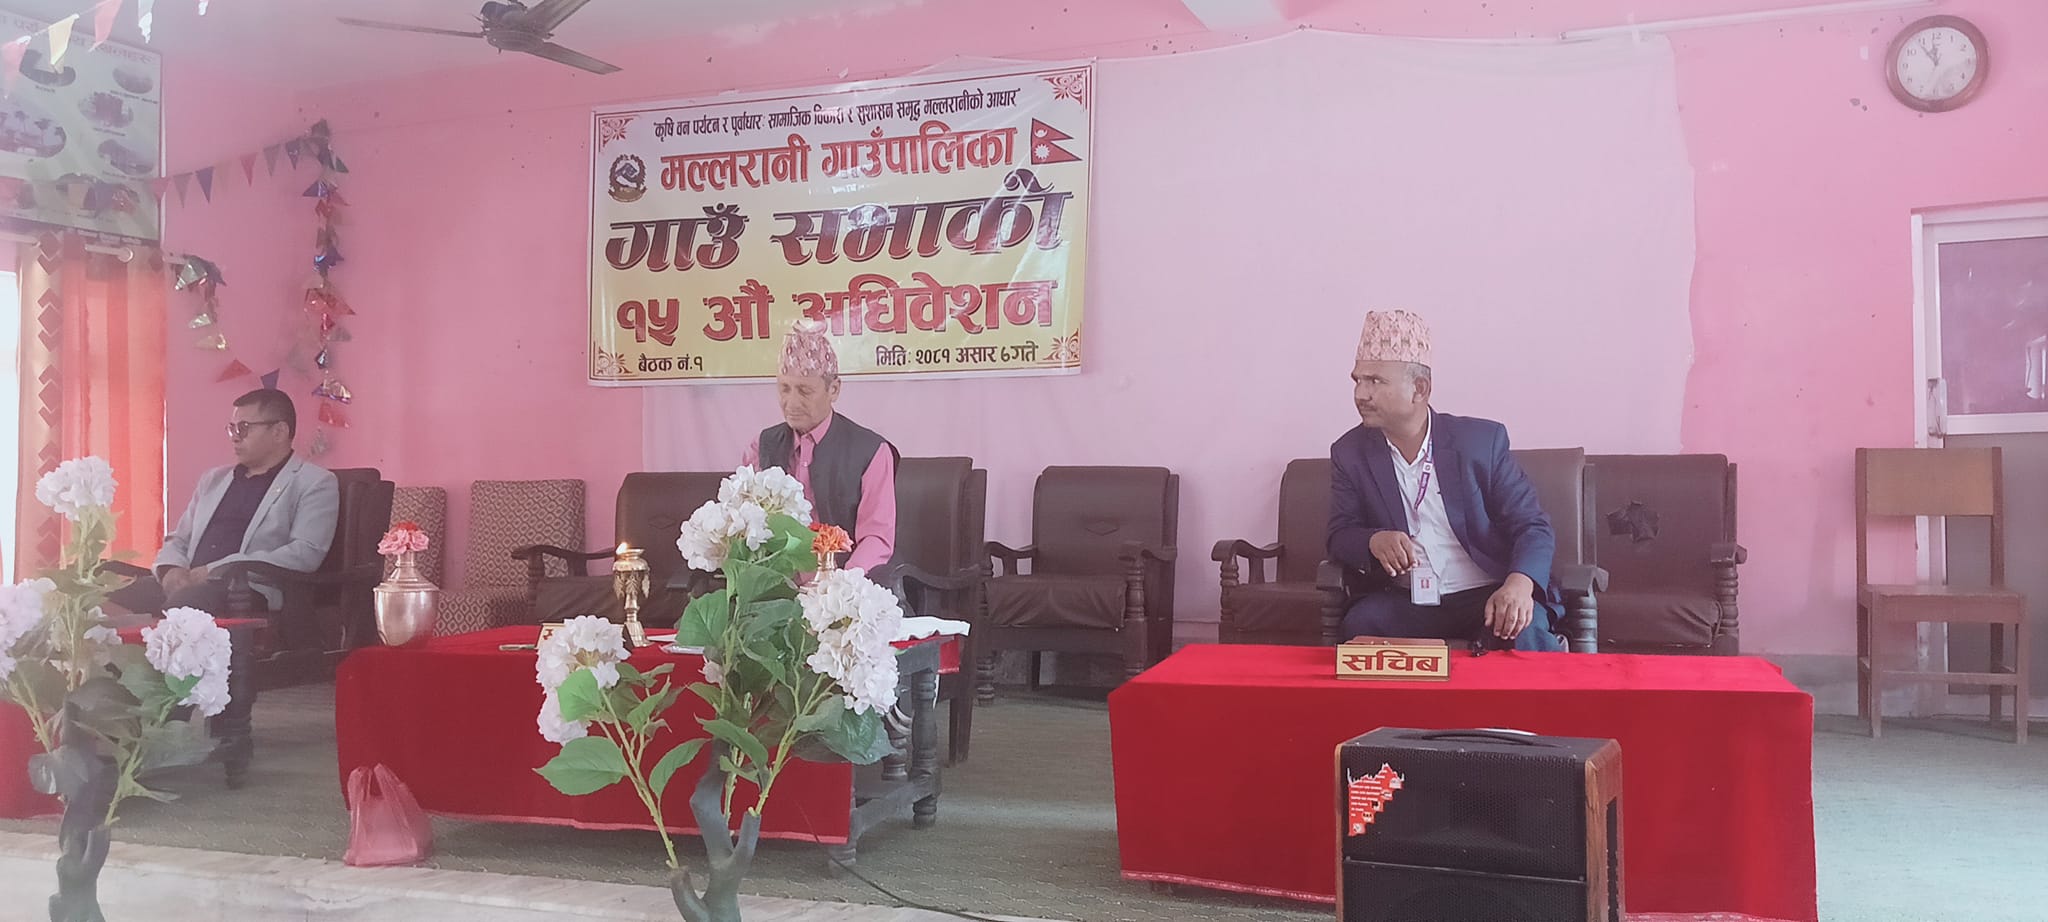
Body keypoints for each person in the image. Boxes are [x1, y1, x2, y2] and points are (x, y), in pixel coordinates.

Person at [1326, 310, 1564, 651]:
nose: (1361, 394)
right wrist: (1373, 541)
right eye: (1357, 380)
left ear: (1419, 389)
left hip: (1486, 593)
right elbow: (1340, 534)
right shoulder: (1350, 452)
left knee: (1522, 629)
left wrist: (1519, 583)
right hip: (1408, 600)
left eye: (1375, 381)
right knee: (1360, 627)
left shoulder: (1480, 442)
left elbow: (1532, 526)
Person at [109, 388, 339, 615]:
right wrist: (171, 569)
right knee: (101, 598)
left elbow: (305, 553)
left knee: (185, 605)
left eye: (244, 428)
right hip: (188, 582)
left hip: (244, 589)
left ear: (279, 432)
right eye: (232, 428)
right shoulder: (214, 479)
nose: (235, 437)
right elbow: (180, 538)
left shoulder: (314, 482)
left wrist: (217, 569)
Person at [741, 319, 899, 578]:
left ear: (833, 389)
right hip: (775, 587)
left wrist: (841, 584)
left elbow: (876, 538)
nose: (791, 402)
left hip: (844, 584)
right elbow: (746, 524)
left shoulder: (871, 452)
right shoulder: (761, 446)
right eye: (784, 389)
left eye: (804, 391)